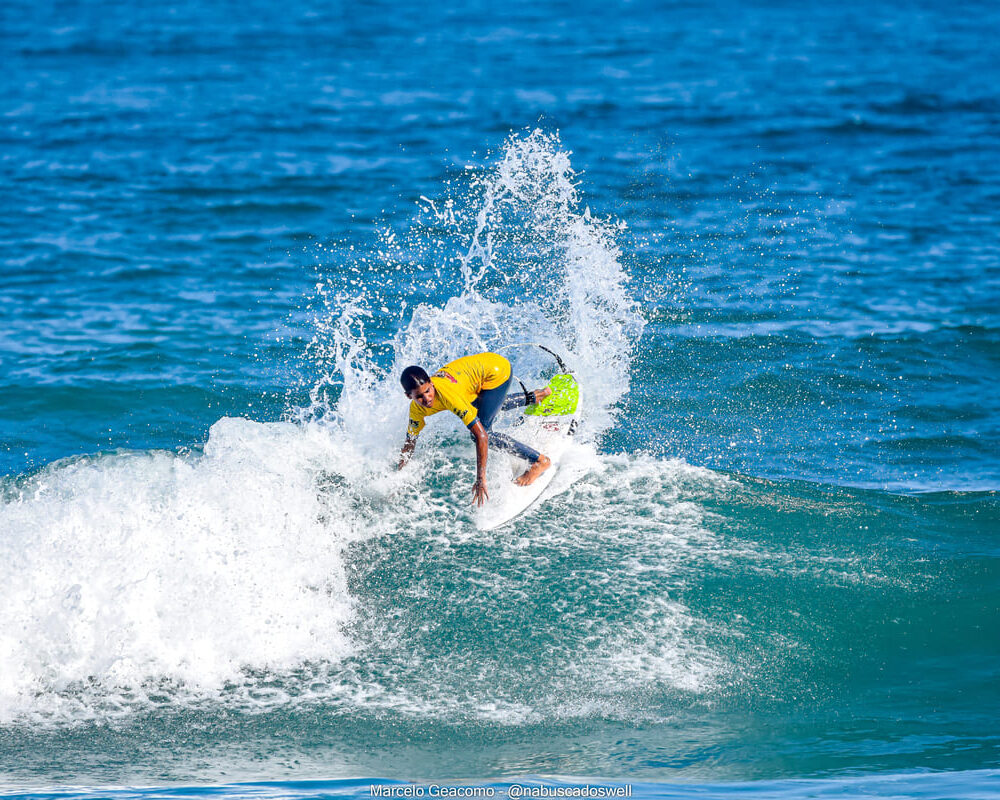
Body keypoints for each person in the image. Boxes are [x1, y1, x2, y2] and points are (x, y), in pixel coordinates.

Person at [397, 352, 552, 506]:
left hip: (496, 372)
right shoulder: (416, 411)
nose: (427, 399)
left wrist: (480, 479)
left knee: (486, 430)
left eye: (428, 391)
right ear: (408, 396)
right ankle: (536, 397)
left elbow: (482, 436)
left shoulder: (448, 396)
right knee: (489, 406)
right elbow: (410, 442)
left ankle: (539, 461)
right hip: (478, 376)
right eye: (419, 397)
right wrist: (399, 476)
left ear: (431, 383)